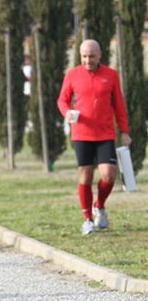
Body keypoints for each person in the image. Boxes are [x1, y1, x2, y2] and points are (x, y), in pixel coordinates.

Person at [57, 39, 131, 236]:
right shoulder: (72, 75)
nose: (87, 60)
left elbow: (119, 105)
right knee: (86, 175)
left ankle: (100, 205)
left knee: (108, 175)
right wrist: (67, 112)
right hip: (81, 133)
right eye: (84, 56)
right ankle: (88, 219)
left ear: (100, 56)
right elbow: (62, 100)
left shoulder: (110, 75)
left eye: (91, 56)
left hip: (105, 133)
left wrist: (124, 131)